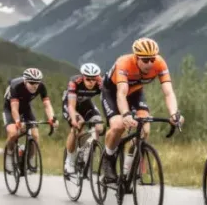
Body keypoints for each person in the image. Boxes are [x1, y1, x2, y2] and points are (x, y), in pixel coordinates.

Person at [100, 37, 184, 181]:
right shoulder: (124, 63)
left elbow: (168, 92)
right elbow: (121, 94)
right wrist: (126, 114)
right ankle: (108, 159)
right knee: (118, 125)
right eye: (145, 60)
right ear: (136, 58)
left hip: (136, 92)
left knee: (144, 130)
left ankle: (127, 172)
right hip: (113, 92)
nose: (150, 63)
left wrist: (174, 113)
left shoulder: (160, 63)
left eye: (152, 59)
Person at [3, 68, 58, 171]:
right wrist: (18, 122)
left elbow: (47, 105)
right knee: (13, 133)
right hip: (10, 109)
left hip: (26, 108)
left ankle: (30, 159)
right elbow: (14, 109)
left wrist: (52, 118)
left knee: (35, 135)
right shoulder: (16, 85)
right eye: (32, 82)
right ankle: (9, 156)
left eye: (37, 82)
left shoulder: (41, 86)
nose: (34, 85)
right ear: (25, 81)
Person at [62, 63, 103, 173]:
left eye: (93, 79)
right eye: (88, 79)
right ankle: (69, 161)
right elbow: (71, 106)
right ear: (83, 77)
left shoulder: (100, 82)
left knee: (98, 127)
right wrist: (74, 120)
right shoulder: (74, 82)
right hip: (71, 105)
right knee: (77, 128)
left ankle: (87, 155)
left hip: (87, 104)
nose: (91, 82)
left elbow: (107, 99)